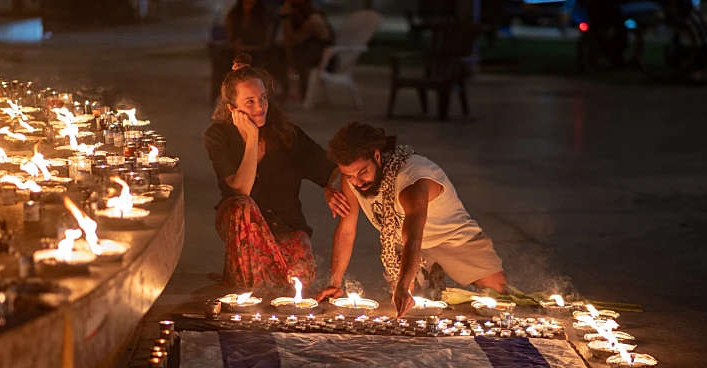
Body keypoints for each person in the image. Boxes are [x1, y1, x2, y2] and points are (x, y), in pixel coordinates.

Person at [317, 122, 507, 318]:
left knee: (500, 297)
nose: (357, 182)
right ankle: (427, 278)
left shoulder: (412, 181)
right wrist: (335, 283)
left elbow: (413, 239)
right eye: (350, 175)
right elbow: (347, 231)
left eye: (363, 172)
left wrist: (402, 284)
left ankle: (433, 274)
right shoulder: (351, 181)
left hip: (453, 239)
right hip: (402, 244)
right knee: (408, 308)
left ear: (376, 155)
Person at [204, 53, 338, 290]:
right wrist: (253, 136)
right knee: (242, 206)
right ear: (232, 108)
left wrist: (330, 187)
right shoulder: (218, 136)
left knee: (296, 285)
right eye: (250, 102)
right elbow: (241, 189)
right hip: (238, 222)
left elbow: (332, 169)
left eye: (263, 98)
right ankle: (244, 289)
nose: (259, 107)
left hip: (286, 224)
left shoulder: (287, 135)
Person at [210, 0, 274, 105]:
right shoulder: (235, 15)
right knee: (222, 56)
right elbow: (230, 38)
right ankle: (220, 94)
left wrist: (247, 47)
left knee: (252, 59)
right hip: (237, 50)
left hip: (255, 51)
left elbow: (264, 42)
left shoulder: (263, 16)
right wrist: (235, 44)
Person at [278, 0, 335, 99]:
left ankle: (290, 90)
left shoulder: (314, 18)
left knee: (283, 53)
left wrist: (285, 17)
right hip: (306, 58)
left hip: (324, 61)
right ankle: (287, 89)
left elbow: (292, 40)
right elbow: (288, 39)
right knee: (277, 52)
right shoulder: (298, 15)